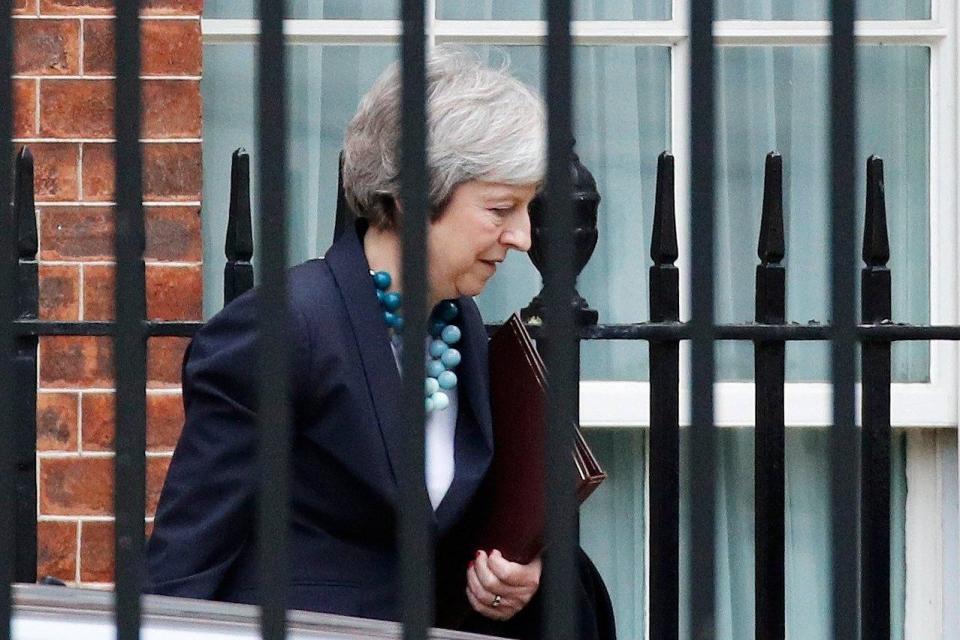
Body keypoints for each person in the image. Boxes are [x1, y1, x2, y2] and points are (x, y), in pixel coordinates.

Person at [146, 46, 614, 639]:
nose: (522, 236)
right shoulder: (282, 326)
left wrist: (513, 573)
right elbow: (189, 555)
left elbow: (437, 525)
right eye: (501, 208)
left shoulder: (460, 323)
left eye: (527, 209)